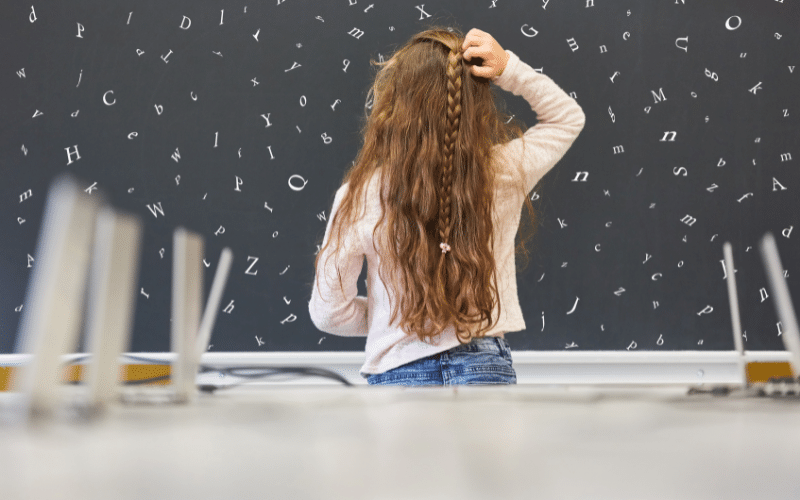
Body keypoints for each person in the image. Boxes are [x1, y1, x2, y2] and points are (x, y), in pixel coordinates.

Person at [308, 26, 585, 386]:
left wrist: (388, 315)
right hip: (485, 365)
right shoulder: (502, 171)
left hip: (398, 373)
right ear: (475, 103)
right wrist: (506, 67)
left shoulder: (360, 194)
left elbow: (329, 312)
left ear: (395, 103)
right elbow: (567, 118)